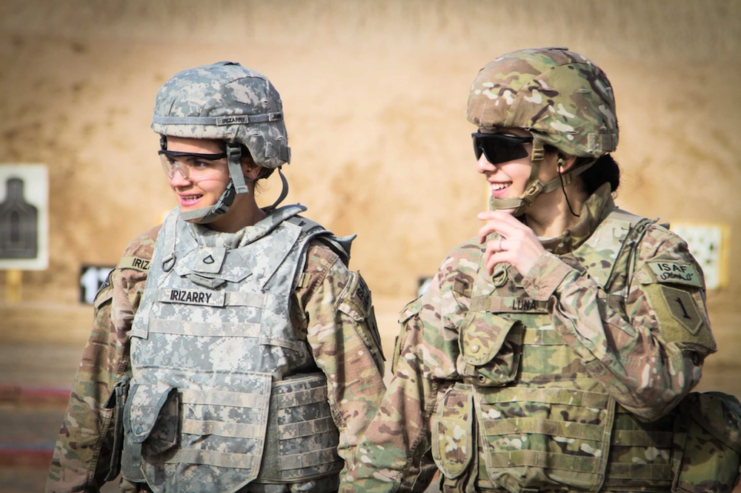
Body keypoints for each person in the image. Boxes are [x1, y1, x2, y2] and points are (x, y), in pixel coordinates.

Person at [341, 48, 738, 493]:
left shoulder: (651, 254)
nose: (483, 164)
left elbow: (660, 389)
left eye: (501, 147)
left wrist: (550, 275)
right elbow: (402, 428)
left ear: (563, 155)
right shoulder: (470, 266)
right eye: (479, 144)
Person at [47, 61, 386, 493]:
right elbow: (91, 411)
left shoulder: (311, 268)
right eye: (171, 159)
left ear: (253, 162)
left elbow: (370, 427)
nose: (178, 179)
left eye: (197, 162)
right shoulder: (146, 258)